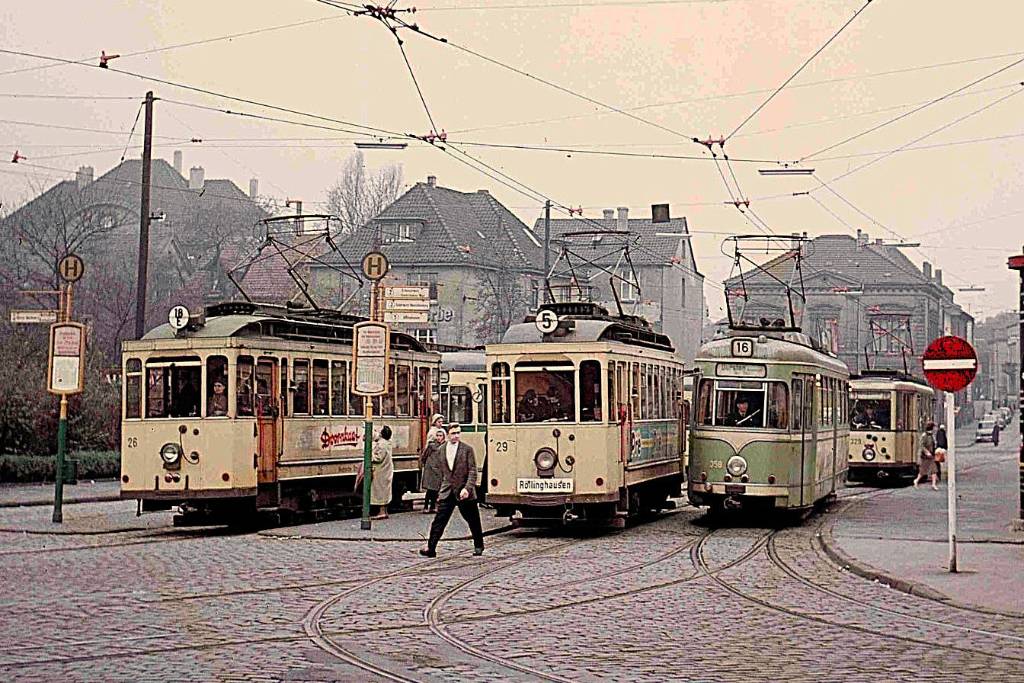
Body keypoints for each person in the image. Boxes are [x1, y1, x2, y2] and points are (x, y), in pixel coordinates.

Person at [420, 424, 485, 557]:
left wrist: (467, 488)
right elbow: (440, 470)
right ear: (448, 434)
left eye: (458, 433)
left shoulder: (467, 449)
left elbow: (472, 471)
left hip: (464, 492)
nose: (456, 436)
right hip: (448, 491)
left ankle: (479, 546)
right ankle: (431, 548)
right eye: (453, 433)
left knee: (473, 520)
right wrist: (441, 488)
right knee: (439, 521)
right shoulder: (441, 450)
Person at [420, 418, 446, 514]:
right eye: (437, 436)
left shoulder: (444, 446)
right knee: (430, 489)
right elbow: (424, 455)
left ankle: (432, 506)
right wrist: (425, 463)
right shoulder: (431, 445)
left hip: (438, 470)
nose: (439, 437)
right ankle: (426, 506)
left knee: (435, 489)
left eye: (440, 436)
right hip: (431, 469)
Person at [370, 425, 394, 520]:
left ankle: (382, 512)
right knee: (385, 490)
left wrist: (369, 454)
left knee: (380, 491)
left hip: (381, 471)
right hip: (386, 470)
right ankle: (384, 511)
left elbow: (378, 458)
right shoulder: (387, 443)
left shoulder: (382, 444)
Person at [912, 421, 938, 490]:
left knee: (934, 470)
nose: (935, 429)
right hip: (925, 457)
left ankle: (933, 484)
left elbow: (933, 444)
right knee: (923, 471)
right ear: (931, 427)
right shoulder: (924, 435)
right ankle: (916, 480)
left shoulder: (932, 435)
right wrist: (926, 452)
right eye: (934, 427)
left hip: (931, 456)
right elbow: (921, 445)